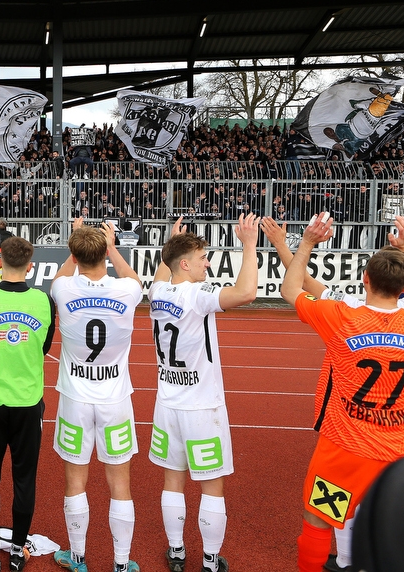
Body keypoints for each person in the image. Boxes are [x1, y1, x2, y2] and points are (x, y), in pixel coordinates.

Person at [280, 215, 404, 572]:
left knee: (319, 520)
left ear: (365, 279)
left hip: (344, 447)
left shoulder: (340, 316)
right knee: (394, 526)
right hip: (401, 451)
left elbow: (290, 289)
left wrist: (307, 242)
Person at [148, 214, 260, 572]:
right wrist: (249, 244)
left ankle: (177, 552)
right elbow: (246, 293)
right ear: (185, 264)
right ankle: (210, 561)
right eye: (202, 258)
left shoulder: (157, 291)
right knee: (212, 485)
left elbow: (163, 272)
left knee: (172, 480)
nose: (208, 263)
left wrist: (172, 240)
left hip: (167, 403)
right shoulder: (197, 295)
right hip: (202, 406)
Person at [50, 218, 143, 572]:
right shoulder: (127, 291)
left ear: (74, 254)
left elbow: (61, 275)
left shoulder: (63, 289)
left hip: (74, 398)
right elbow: (133, 278)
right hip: (115, 399)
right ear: (104, 253)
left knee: (76, 481)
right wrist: (113, 247)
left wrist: (76, 238)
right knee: (120, 484)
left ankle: (78, 559)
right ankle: (121, 564)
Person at [0, 236, 56, 572]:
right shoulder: (44, 301)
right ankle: (17, 551)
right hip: (28, 404)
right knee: (24, 477)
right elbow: (44, 347)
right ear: (30, 265)